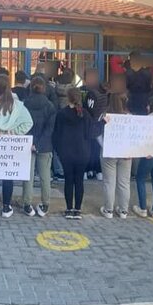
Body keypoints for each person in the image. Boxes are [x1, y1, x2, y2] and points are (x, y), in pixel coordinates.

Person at [0, 74, 34, 217]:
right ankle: (6, 207)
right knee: (8, 175)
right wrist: (14, 132)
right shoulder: (17, 105)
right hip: (11, 144)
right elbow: (28, 122)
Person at [54, 87, 94, 219]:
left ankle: (69, 208)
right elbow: (90, 134)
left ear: (68, 98)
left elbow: (56, 134)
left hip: (66, 153)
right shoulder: (85, 114)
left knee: (68, 180)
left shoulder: (61, 114)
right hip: (82, 153)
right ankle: (78, 209)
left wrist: (59, 151)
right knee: (79, 181)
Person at [21, 75, 56, 217]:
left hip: (27, 144)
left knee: (28, 175)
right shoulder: (50, 106)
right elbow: (50, 129)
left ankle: (27, 204)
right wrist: (39, 143)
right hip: (45, 145)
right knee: (45, 176)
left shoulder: (25, 104)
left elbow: (23, 125)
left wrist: (32, 142)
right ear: (44, 88)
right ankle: (45, 204)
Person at [98, 93, 133, 218]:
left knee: (109, 182)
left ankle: (108, 210)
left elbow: (98, 134)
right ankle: (123, 210)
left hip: (109, 153)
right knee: (124, 182)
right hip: (125, 154)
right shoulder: (130, 117)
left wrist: (104, 146)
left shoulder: (104, 116)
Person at [79, 68, 108, 179]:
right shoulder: (103, 94)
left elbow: (87, 109)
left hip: (88, 124)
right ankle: (97, 171)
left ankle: (87, 171)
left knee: (88, 148)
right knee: (96, 149)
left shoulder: (89, 93)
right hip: (99, 124)